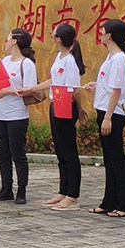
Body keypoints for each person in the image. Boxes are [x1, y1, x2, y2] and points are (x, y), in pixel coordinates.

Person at [31, 23, 85, 210]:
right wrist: (31, 89)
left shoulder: (70, 61)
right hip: (56, 104)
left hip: (66, 106)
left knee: (69, 151)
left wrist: (80, 110)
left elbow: (75, 91)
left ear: (59, 39)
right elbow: (53, 81)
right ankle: (63, 191)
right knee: (60, 151)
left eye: (53, 34)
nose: (51, 37)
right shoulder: (59, 57)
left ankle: (72, 195)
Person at [86, 18, 125, 217]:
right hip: (105, 110)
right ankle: (109, 200)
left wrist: (107, 118)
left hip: (113, 114)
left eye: (103, 31)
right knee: (109, 158)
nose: (100, 34)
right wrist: (96, 85)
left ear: (110, 36)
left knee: (116, 158)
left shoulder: (118, 59)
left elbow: (117, 91)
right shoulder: (111, 57)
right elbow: (109, 85)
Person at [0, 28, 37, 204]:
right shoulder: (5, 61)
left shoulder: (26, 64)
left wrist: (6, 92)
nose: (6, 41)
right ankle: (6, 188)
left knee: (18, 153)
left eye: (8, 38)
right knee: (3, 153)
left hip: (16, 114)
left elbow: (29, 88)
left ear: (15, 41)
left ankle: (22, 190)